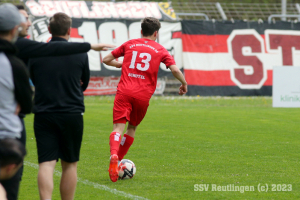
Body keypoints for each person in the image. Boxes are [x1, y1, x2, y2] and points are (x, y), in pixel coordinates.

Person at [103, 17, 188, 182]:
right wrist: (184, 83)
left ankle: (114, 155)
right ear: (156, 33)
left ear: (141, 31)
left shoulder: (130, 44)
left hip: (124, 91)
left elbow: (106, 59)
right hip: (142, 96)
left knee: (117, 128)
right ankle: (118, 160)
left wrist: (120, 65)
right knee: (132, 128)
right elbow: (175, 70)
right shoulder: (161, 50)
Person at [29, 12, 91, 200]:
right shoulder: (79, 52)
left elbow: (32, 78)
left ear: (49, 30)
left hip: (44, 113)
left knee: (46, 164)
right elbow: (85, 83)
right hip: (71, 113)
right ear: (69, 31)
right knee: (70, 164)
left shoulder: (37, 52)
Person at [0, 4, 32, 200]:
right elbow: (27, 105)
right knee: (9, 192)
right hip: (8, 140)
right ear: (14, 30)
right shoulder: (14, 65)